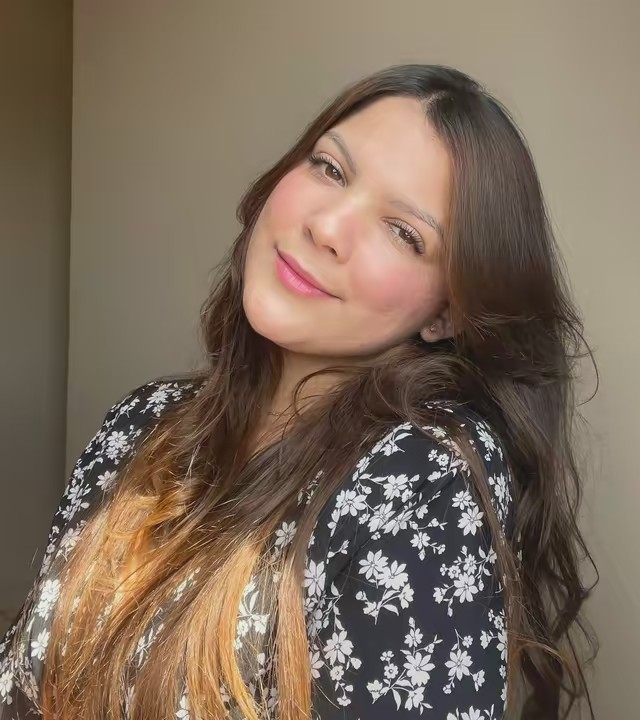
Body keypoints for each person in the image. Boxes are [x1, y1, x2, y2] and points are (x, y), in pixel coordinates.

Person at [0, 64, 597, 720]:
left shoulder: (425, 484)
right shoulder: (143, 422)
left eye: (404, 232)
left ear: (446, 312)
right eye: (330, 169)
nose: (327, 226)